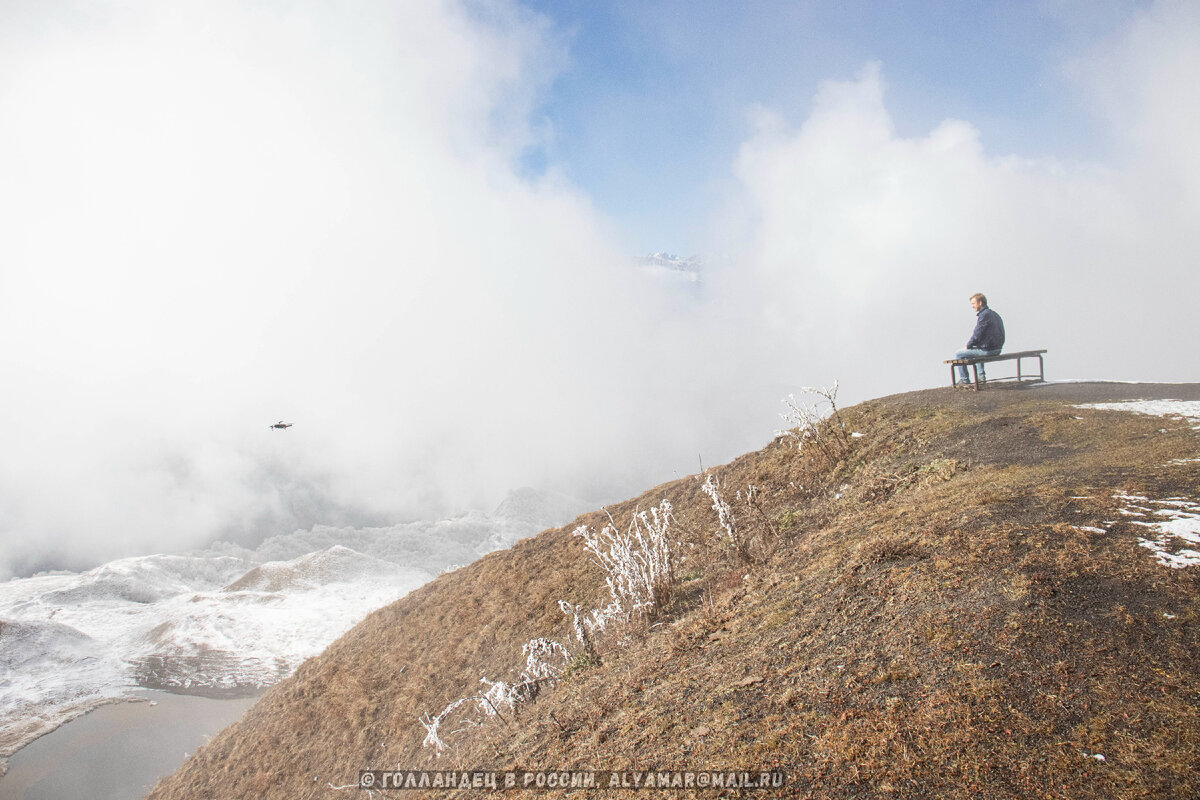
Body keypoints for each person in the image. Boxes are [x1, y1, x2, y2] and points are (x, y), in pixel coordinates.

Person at [954, 293, 1005, 386]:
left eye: (973, 303)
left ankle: (964, 380)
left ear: (980, 303)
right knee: (976, 350)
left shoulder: (984, 315)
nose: (972, 306)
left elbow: (977, 333)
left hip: (989, 350)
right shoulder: (994, 314)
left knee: (958, 354)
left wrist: (968, 345)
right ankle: (981, 377)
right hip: (997, 349)